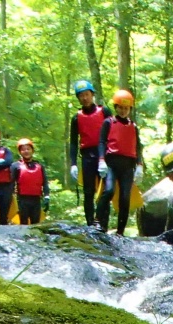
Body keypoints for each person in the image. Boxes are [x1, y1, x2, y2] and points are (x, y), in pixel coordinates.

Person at [95, 89, 143, 236]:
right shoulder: (108, 122)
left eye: (126, 108)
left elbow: (138, 146)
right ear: (116, 107)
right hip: (111, 163)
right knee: (108, 191)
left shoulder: (133, 126)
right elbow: (102, 142)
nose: (123, 111)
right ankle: (98, 221)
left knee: (125, 197)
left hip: (128, 165)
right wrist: (101, 160)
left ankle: (120, 230)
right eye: (120, 107)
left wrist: (140, 165)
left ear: (130, 109)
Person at [68, 80, 112, 227]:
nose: (84, 98)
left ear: (92, 94)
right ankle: (89, 224)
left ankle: (103, 223)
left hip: (104, 155)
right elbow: (74, 142)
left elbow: (114, 133)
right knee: (88, 192)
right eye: (81, 96)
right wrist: (73, 163)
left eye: (86, 94)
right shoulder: (76, 118)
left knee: (105, 191)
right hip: (87, 157)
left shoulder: (104, 112)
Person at [11, 138, 49, 225]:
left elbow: (45, 182)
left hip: (36, 200)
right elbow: (11, 183)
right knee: (23, 224)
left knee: (35, 224)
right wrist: (11, 200)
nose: (26, 151)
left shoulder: (39, 166)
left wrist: (47, 196)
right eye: (23, 149)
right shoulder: (15, 166)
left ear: (32, 150)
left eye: (28, 149)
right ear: (20, 152)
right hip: (22, 200)